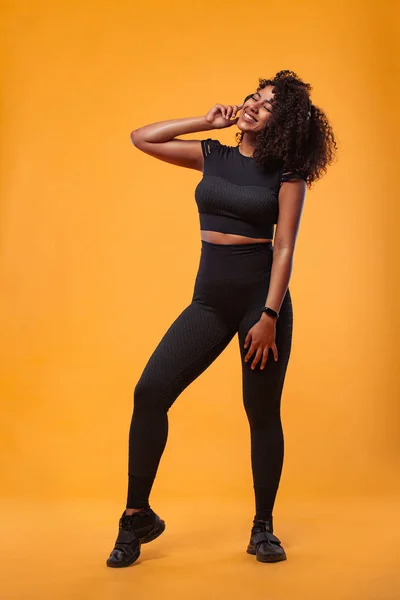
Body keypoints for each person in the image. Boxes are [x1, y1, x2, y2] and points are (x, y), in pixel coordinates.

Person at [106, 69, 337, 568]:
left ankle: (263, 529)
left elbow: (285, 247)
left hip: (262, 303)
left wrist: (270, 314)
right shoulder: (213, 156)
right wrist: (205, 123)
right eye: (254, 95)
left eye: (269, 104)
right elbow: (141, 137)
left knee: (261, 412)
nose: (254, 104)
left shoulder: (286, 173)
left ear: (283, 123)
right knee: (149, 392)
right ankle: (136, 516)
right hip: (209, 302)